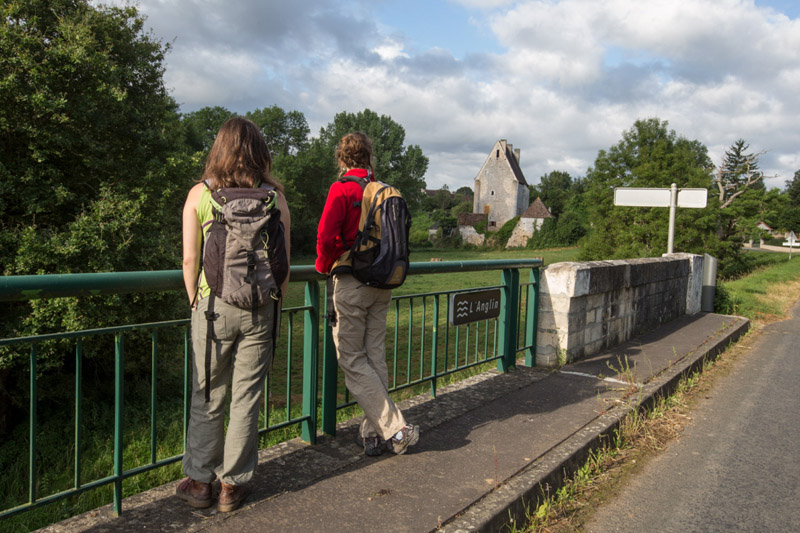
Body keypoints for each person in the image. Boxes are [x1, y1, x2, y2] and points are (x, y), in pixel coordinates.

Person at [177, 117, 291, 512]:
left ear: (219, 149)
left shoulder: (201, 194)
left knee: (207, 393)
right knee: (246, 397)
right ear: (260, 152)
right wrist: (274, 302)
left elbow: (190, 258)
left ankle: (199, 482)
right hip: (261, 309)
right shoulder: (274, 197)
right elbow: (284, 264)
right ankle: (232, 486)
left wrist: (195, 299)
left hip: (211, 309)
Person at [315, 131, 419, 457]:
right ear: (369, 157)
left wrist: (323, 267)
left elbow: (325, 237)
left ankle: (395, 429)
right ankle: (373, 435)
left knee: (351, 360)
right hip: (382, 284)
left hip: (352, 284)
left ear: (342, 158)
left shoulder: (343, 189)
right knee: (374, 357)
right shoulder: (383, 191)